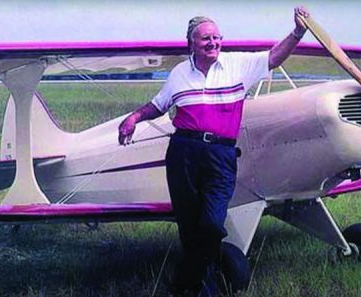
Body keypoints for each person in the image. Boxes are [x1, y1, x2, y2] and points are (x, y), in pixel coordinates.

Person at [118, 6, 310, 296]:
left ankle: (183, 282)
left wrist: (298, 32)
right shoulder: (179, 73)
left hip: (221, 156)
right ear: (191, 44)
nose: (213, 43)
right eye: (206, 38)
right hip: (183, 152)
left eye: (217, 37)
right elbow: (159, 105)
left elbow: (273, 57)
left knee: (211, 224)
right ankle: (201, 289)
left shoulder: (238, 65)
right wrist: (133, 118)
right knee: (189, 226)